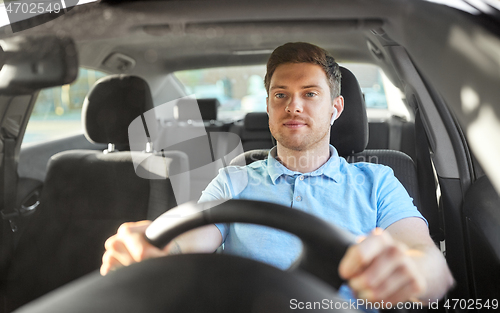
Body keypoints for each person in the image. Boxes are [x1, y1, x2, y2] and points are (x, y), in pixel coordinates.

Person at [100, 42, 454, 308]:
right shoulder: (233, 180)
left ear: (336, 108)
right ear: (269, 106)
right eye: (280, 94)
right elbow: (189, 242)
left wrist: (413, 273)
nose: (293, 106)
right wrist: (153, 248)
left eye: (310, 94)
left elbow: (428, 260)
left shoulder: (378, 181)